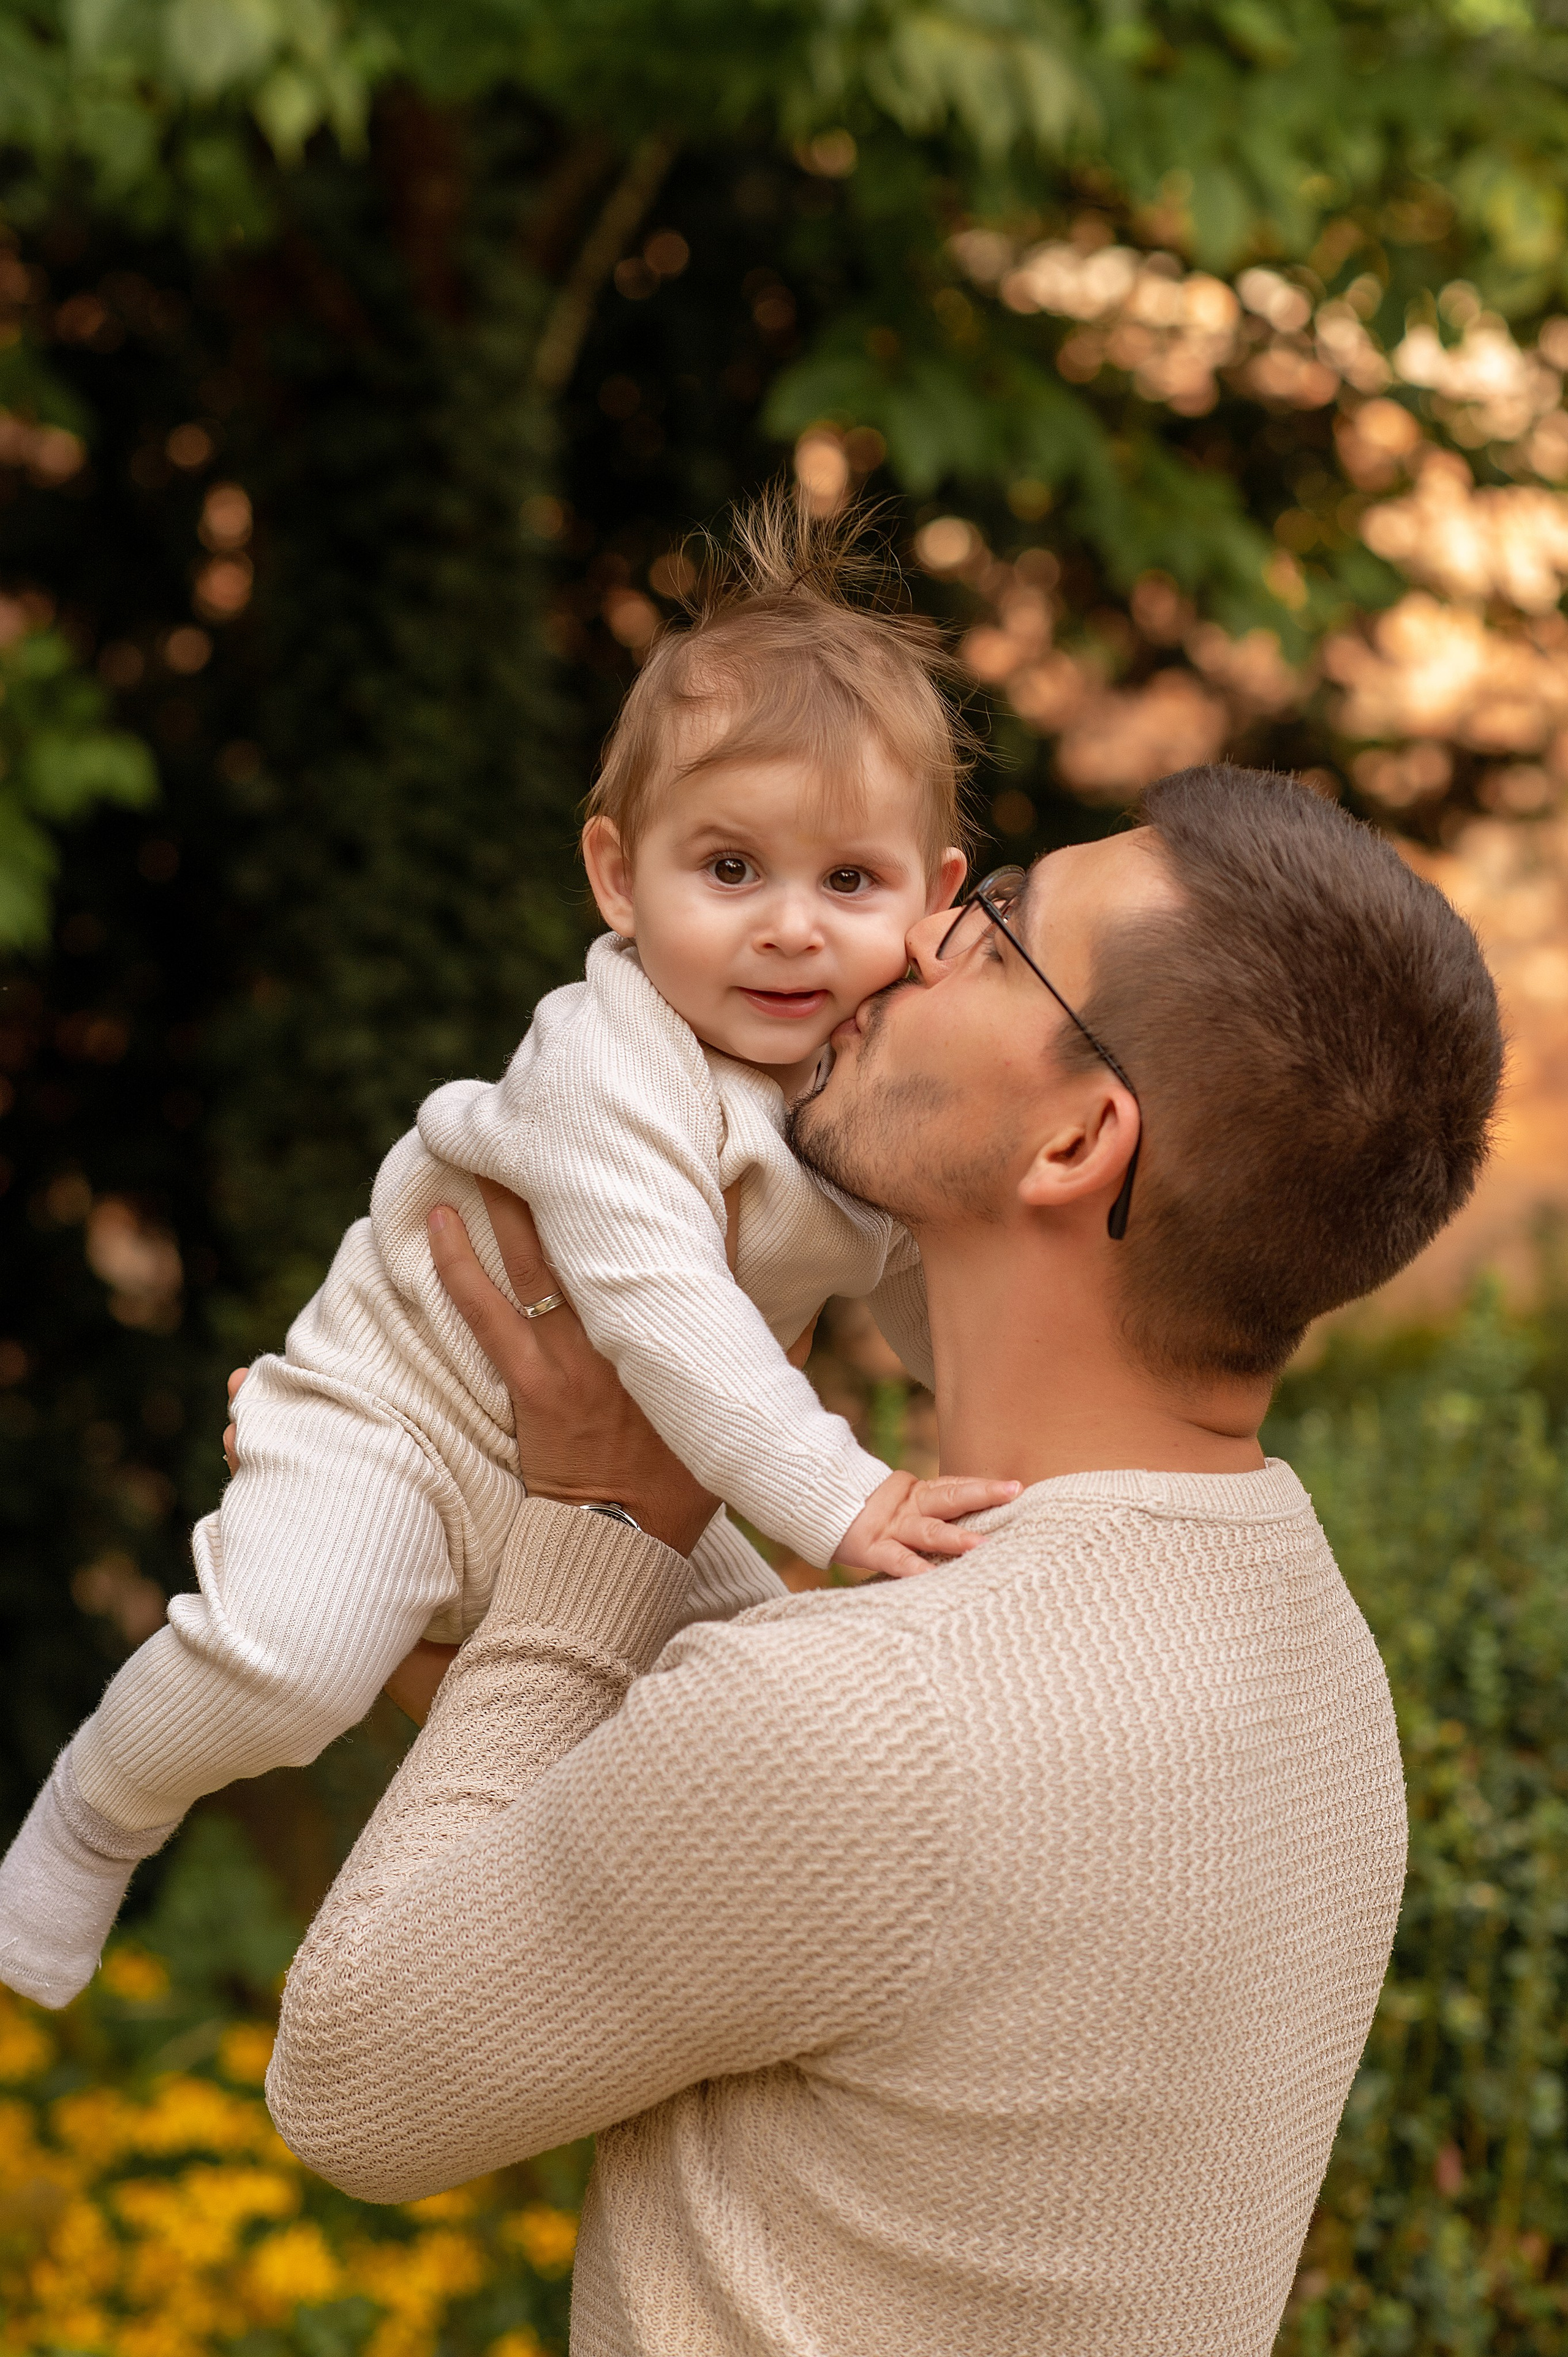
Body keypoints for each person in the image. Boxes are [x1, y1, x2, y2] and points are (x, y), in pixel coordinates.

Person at [266, 764, 1502, 2355]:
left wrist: (594, 1528)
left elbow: (353, 2088)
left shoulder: (870, 1725)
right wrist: (434, 1520)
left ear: (1076, 1139)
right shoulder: (1311, 1644)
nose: (911, 932)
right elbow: (751, 1837)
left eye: (996, 932)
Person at [0, 491, 1019, 2011]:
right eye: (728, 869)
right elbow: (663, 1309)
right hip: (408, 1420)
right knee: (286, 1661)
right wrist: (845, 1498)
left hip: (637, 1471)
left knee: (763, 1720)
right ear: (618, 876)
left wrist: (1005, 1448)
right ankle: (93, 1813)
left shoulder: (864, 1084)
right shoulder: (607, 1057)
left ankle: (648, 2001)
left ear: (933, 901)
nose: (790, 929)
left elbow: (925, 1288)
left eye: (848, 882)